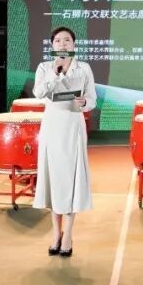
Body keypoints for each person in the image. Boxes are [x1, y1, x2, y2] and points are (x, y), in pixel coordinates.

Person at [32, 26, 96, 258]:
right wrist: (55, 73)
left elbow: (92, 99)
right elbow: (38, 93)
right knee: (54, 180)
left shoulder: (84, 68)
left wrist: (84, 103)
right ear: (52, 45)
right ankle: (55, 234)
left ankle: (68, 234)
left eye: (67, 40)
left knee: (70, 180)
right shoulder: (44, 68)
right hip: (52, 126)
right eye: (58, 40)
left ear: (74, 44)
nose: (62, 44)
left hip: (73, 126)